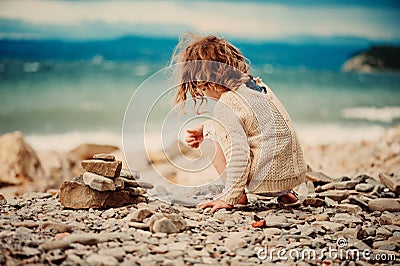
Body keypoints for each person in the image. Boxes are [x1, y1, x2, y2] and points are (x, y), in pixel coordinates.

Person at [170, 33, 306, 213]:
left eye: (202, 88)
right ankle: (286, 196)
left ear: (209, 82)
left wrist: (230, 197)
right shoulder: (258, 87)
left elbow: (238, 152)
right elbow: (261, 127)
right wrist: (206, 127)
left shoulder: (227, 104)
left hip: (263, 182)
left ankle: (239, 195)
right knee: (253, 133)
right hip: (291, 175)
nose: (203, 94)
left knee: (211, 139)